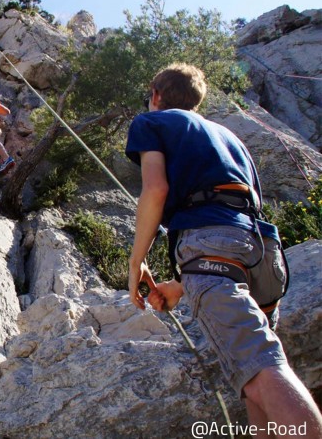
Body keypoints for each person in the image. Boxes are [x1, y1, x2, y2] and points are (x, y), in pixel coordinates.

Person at [125, 63, 322, 436]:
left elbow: (156, 190)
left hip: (213, 243)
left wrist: (138, 262)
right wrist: (183, 284)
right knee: (253, 388)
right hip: (262, 252)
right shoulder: (230, 138)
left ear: (155, 95)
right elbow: (233, 223)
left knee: (261, 368)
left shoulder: (152, 122)